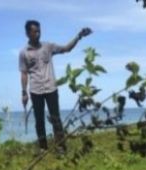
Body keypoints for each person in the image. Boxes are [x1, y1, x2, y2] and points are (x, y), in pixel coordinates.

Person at [19, 20, 92, 154]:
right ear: (28, 33)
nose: (38, 33)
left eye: (39, 30)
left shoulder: (48, 46)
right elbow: (24, 73)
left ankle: (60, 147)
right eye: (35, 31)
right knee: (39, 120)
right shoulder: (24, 53)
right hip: (35, 90)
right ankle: (43, 147)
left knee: (55, 118)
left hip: (51, 88)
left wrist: (79, 36)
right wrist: (24, 92)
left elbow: (66, 49)